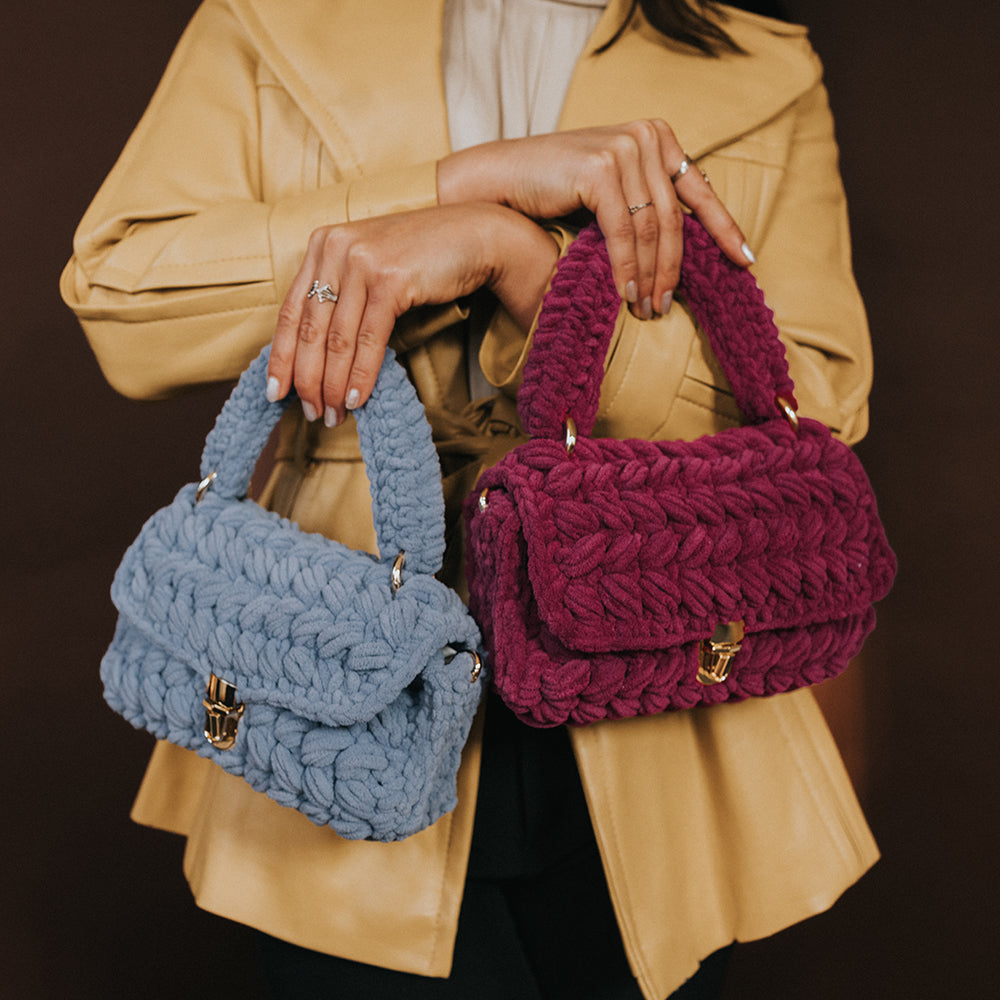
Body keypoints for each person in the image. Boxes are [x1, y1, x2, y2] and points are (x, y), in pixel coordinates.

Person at [61, 1, 879, 997]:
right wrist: (451, 193)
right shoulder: (269, 17)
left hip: (656, 688)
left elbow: (818, 411)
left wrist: (528, 269)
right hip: (337, 666)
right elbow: (120, 303)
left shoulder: (761, 63)